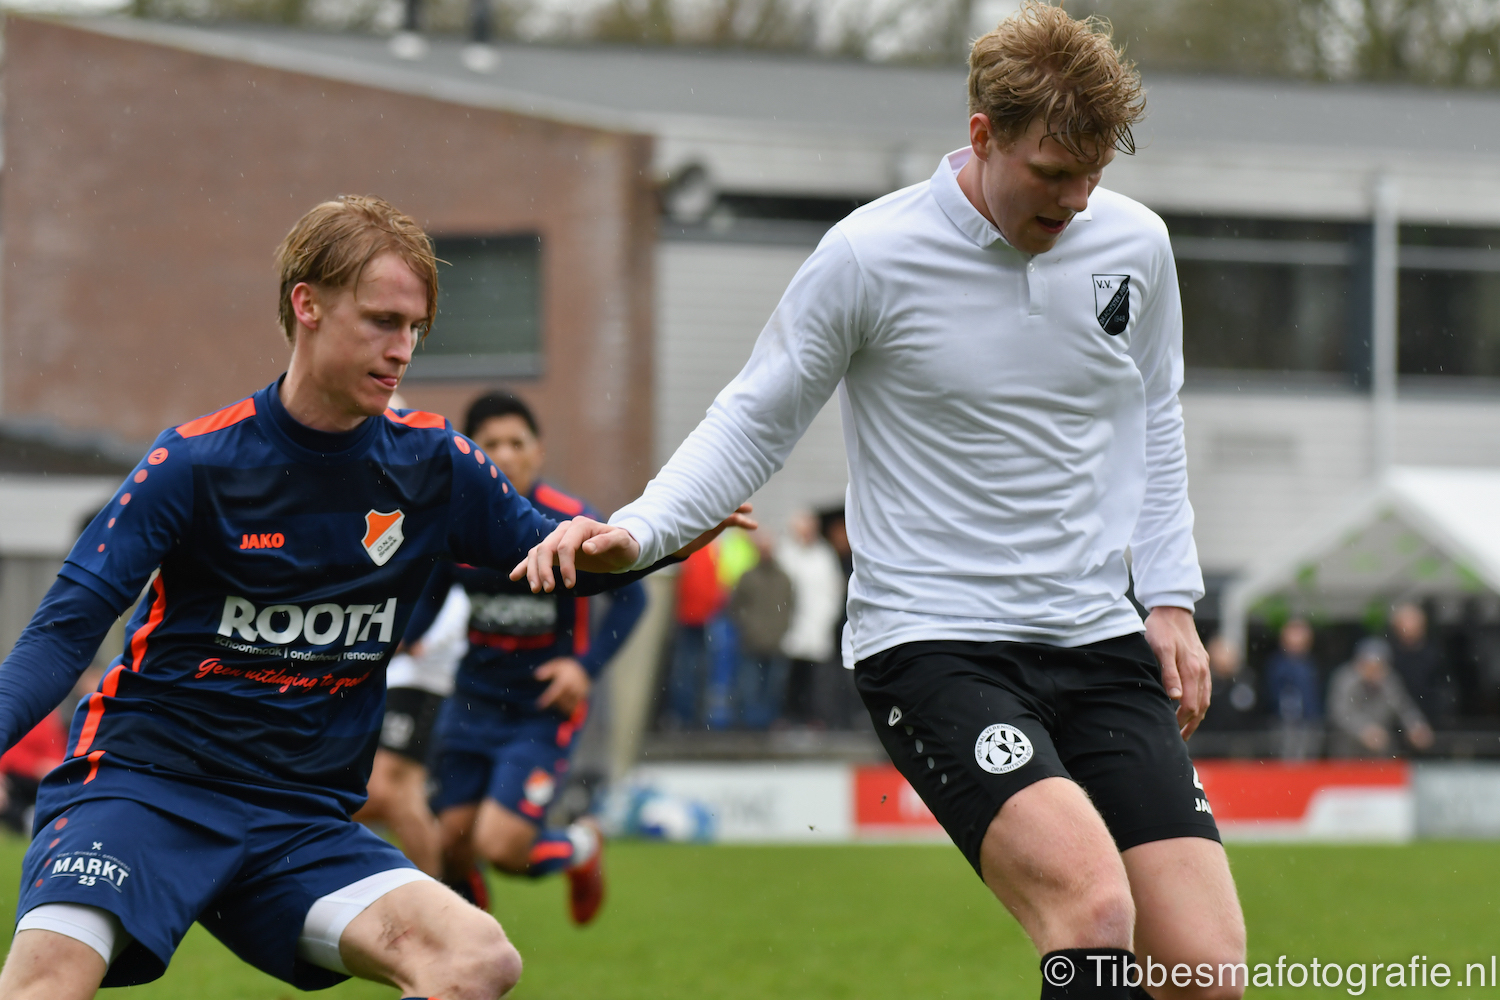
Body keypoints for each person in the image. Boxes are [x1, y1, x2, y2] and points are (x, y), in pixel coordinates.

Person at [513, 6, 1245, 999]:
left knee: (1206, 972)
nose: (1077, 199)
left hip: (1095, 633)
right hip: (937, 644)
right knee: (1092, 909)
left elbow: (1154, 415)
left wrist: (1169, 597)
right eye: (1052, 172)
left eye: (1094, 173)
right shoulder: (869, 255)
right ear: (982, 135)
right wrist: (639, 531)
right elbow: (753, 419)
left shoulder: (1137, 245)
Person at [0, 196, 744, 1000]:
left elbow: (558, 556)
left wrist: (660, 534)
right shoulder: (194, 463)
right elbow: (61, 635)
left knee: (477, 960)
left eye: (415, 329)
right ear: (307, 304)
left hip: (297, 820)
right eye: (383, 321)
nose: (402, 351)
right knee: (46, 982)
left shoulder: (434, 465)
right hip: (145, 789)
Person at [430, 392, 649, 926]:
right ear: (471, 453)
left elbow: (633, 596)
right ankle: (471, 951)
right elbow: (427, 595)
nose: (506, 454)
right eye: (491, 444)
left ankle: (582, 847)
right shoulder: (455, 520)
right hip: (472, 699)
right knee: (449, 845)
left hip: (542, 707)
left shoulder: (571, 518)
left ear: (538, 451)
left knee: (501, 847)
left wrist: (584, 667)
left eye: (517, 442)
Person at [353, 577, 470, 876]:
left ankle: (437, 886)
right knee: (400, 792)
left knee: (389, 788)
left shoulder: (449, 561)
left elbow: (453, 597)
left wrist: (419, 640)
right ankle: (447, 881)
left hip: (420, 681)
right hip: (386, 677)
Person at [776, 511, 846, 727]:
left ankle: (813, 717)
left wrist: (826, 618)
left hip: (817, 625)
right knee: (789, 676)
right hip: (790, 626)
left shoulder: (824, 555)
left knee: (815, 678)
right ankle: (789, 716)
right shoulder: (786, 553)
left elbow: (833, 590)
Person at [727, 531, 794, 729]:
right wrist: (749, 628)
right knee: (749, 687)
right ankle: (749, 725)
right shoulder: (748, 577)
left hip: (775, 642)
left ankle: (766, 724)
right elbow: (736, 607)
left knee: (772, 688)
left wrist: (781, 629)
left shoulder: (783, 578)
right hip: (751, 642)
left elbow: (790, 606)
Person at [1327, 637, 1434, 758]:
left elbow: (1403, 707)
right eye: (1369, 666)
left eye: (1379, 667)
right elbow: (1339, 713)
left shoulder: (1389, 682)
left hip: (1381, 753)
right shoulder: (1345, 680)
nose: (1374, 672)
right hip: (1346, 753)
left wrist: (1416, 726)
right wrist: (1364, 730)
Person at [662, 545, 727, 729]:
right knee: (688, 669)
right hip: (691, 619)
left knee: (692, 669)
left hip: (699, 619)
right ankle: (685, 714)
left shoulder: (699, 549)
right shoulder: (699, 549)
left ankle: (688, 715)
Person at [1264, 618, 1323, 761]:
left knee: (1309, 760)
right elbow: (1273, 695)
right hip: (1285, 723)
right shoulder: (1277, 665)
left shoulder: (1311, 663)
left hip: (1310, 722)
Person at [1389, 602, 1451, 726]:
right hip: (1395, 719)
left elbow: (1444, 687)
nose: (1409, 630)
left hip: (1430, 718)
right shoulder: (1389, 655)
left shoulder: (1434, 655)